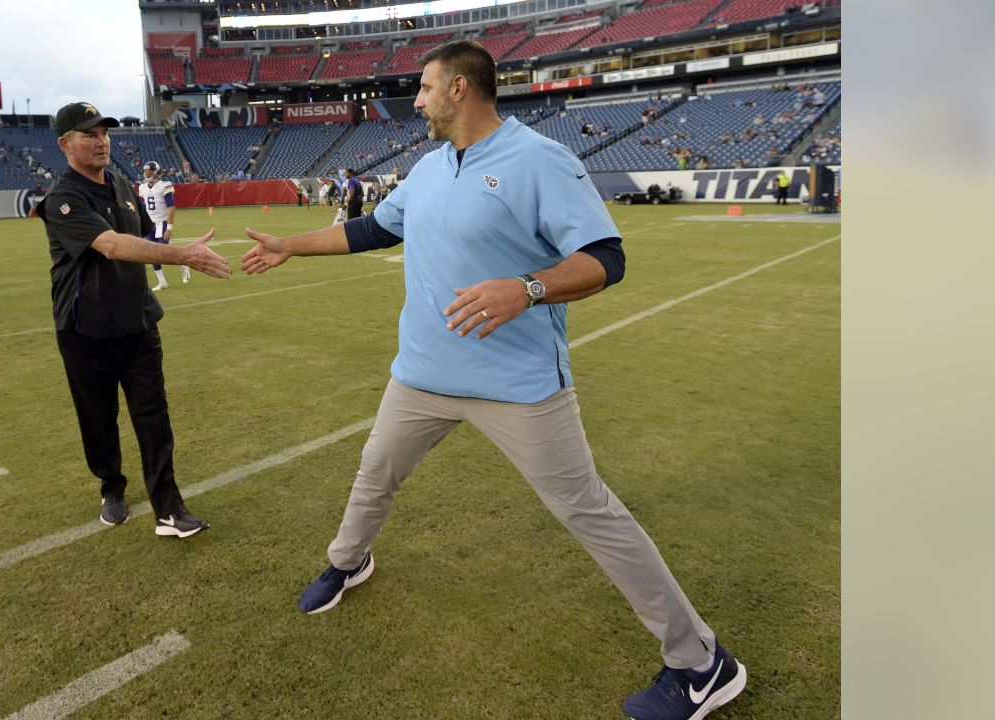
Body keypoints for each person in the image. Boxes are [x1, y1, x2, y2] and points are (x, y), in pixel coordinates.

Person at [240, 41, 744, 720]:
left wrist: (528, 288)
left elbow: (606, 258)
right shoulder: (424, 167)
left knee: (589, 511)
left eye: (423, 87)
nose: (414, 101)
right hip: (420, 374)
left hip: (518, 384)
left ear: (459, 90)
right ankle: (348, 561)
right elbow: (372, 232)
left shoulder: (539, 159)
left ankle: (701, 663)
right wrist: (289, 245)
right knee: (375, 471)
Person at [36, 101, 230, 534]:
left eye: (104, 132)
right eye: (90, 134)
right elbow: (112, 245)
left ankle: (169, 507)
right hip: (85, 328)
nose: (101, 141)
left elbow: (140, 236)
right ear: (65, 144)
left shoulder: (123, 183)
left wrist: (177, 243)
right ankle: (112, 487)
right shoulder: (63, 198)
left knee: (153, 415)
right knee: (99, 418)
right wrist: (181, 255)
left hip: (138, 322)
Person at [136, 160, 189, 290]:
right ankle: (162, 281)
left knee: (164, 253)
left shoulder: (164, 186)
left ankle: (183, 264)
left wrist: (169, 228)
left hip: (162, 223)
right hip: (150, 224)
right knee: (151, 253)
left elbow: (171, 207)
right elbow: (143, 208)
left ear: (157, 172)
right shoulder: (142, 188)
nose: (147, 174)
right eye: (146, 171)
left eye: (150, 171)